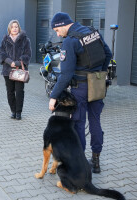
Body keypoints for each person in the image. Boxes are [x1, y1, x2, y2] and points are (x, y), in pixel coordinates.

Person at [49, 12, 112, 173]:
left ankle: (79, 163)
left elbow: (66, 75)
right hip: (97, 84)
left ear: (62, 25)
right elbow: (108, 54)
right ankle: (96, 160)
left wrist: (53, 96)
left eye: (57, 31)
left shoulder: (70, 41)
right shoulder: (93, 32)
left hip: (80, 87)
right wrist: (100, 74)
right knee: (95, 121)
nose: (57, 34)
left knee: (78, 124)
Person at [0, 20, 32, 120]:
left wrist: (18, 62)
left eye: (16, 26)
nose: (14, 28)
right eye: (12, 27)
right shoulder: (5, 40)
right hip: (7, 70)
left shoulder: (25, 40)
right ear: (9, 28)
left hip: (19, 71)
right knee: (10, 91)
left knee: (19, 91)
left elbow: (28, 54)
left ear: (19, 28)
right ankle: (13, 111)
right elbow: (1, 53)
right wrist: (10, 62)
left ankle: (18, 112)